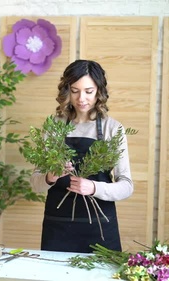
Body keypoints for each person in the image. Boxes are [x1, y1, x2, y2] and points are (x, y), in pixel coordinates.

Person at [30, 59, 134, 253]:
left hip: (100, 226)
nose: (81, 99)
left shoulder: (113, 129)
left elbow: (127, 186)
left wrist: (94, 187)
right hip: (58, 227)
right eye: (75, 91)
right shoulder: (54, 127)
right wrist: (50, 177)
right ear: (66, 90)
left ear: (99, 92)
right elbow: (35, 183)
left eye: (89, 91)